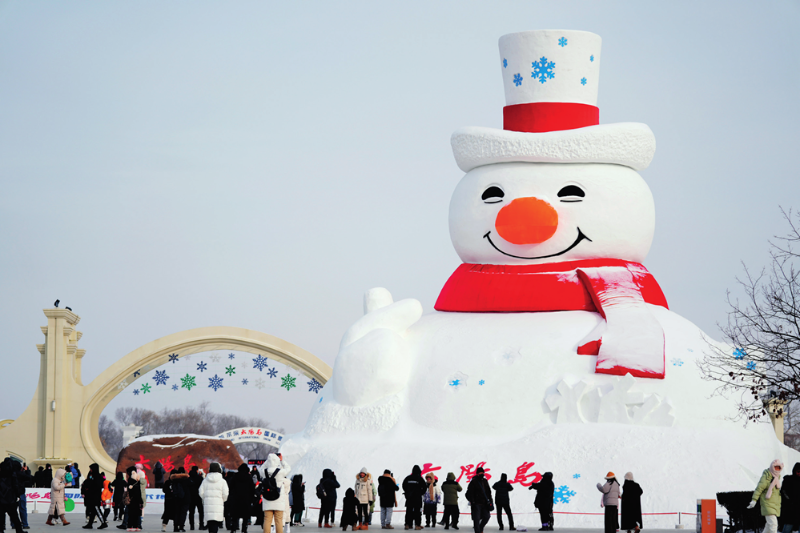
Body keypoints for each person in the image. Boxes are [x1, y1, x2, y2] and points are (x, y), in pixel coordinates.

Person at [749, 460, 785, 533]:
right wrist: (754, 500)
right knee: (773, 524)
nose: (777, 470)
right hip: (767, 504)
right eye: (775, 467)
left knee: (769, 526)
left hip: (774, 505)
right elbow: (759, 488)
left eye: (779, 468)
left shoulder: (777, 478)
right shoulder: (767, 476)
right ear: (772, 467)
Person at [262, 453, 290, 533]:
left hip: (267, 499)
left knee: (267, 520)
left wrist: (269, 460)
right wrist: (282, 460)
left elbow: (262, 467)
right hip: (278, 500)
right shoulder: (280, 472)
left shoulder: (264, 471)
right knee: (279, 521)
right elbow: (288, 468)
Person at [199, 463, 229, 533]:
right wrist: (222, 500)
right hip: (218, 505)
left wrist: (205, 499)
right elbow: (225, 493)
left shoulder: (205, 481)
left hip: (208, 506)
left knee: (210, 524)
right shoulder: (222, 481)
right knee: (215, 524)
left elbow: (201, 492)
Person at [465, 468, 492, 533]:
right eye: (480, 473)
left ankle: (481, 527)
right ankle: (477, 531)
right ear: (477, 474)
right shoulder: (473, 482)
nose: (481, 474)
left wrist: (490, 501)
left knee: (487, 517)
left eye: (482, 473)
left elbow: (488, 492)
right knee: (476, 519)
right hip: (476, 504)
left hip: (485, 503)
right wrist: (472, 501)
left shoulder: (485, 481)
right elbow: (468, 494)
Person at [83, 463, 109, 530]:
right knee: (93, 511)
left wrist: (89, 488)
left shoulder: (97, 476)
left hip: (95, 497)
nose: (90, 470)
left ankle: (103, 523)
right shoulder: (92, 475)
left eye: (91, 468)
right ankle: (90, 524)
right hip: (92, 497)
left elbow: (96, 486)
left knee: (97, 510)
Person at [0, 460, 23, 533]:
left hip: (1, 499)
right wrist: (17, 495)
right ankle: (19, 530)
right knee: (14, 516)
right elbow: (15, 486)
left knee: (0, 516)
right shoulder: (12, 475)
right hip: (10, 499)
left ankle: (1, 530)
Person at [402, 466, 425, 531]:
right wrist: (420, 493)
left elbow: (404, 486)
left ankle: (407, 524)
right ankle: (417, 525)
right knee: (417, 512)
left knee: (408, 511)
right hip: (417, 498)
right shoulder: (420, 479)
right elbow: (424, 487)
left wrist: (407, 492)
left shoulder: (408, 478)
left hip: (409, 498)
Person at [233, 465, 255, 533]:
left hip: (236, 499)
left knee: (235, 515)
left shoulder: (235, 476)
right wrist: (252, 499)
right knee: (245, 515)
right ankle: (244, 529)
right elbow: (252, 489)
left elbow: (231, 487)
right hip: (246, 499)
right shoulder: (249, 477)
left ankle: (233, 528)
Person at [172, 468, 192, 533]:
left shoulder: (174, 479)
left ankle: (175, 527)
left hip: (176, 498)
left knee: (176, 512)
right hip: (185, 499)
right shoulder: (187, 480)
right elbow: (192, 486)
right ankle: (181, 527)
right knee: (183, 513)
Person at [781, 463, 800, 533]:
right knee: (787, 528)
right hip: (791, 510)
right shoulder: (789, 479)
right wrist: (790, 501)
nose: (799, 474)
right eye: (798, 471)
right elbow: (783, 491)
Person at [126, 467, 144, 532]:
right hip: (136, 500)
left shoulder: (130, 480)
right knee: (136, 514)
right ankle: (136, 526)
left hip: (131, 500)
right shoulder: (137, 481)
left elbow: (129, 491)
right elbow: (139, 492)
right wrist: (141, 501)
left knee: (131, 514)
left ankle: (130, 526)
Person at [189, 466, 206, 531]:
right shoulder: (200, 478)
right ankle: (201, 525)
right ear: (197, 470)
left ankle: (192, 526)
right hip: (198, 497)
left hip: (191, 497)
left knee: (191, 512)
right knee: (201, 512)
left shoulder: (189, 478)